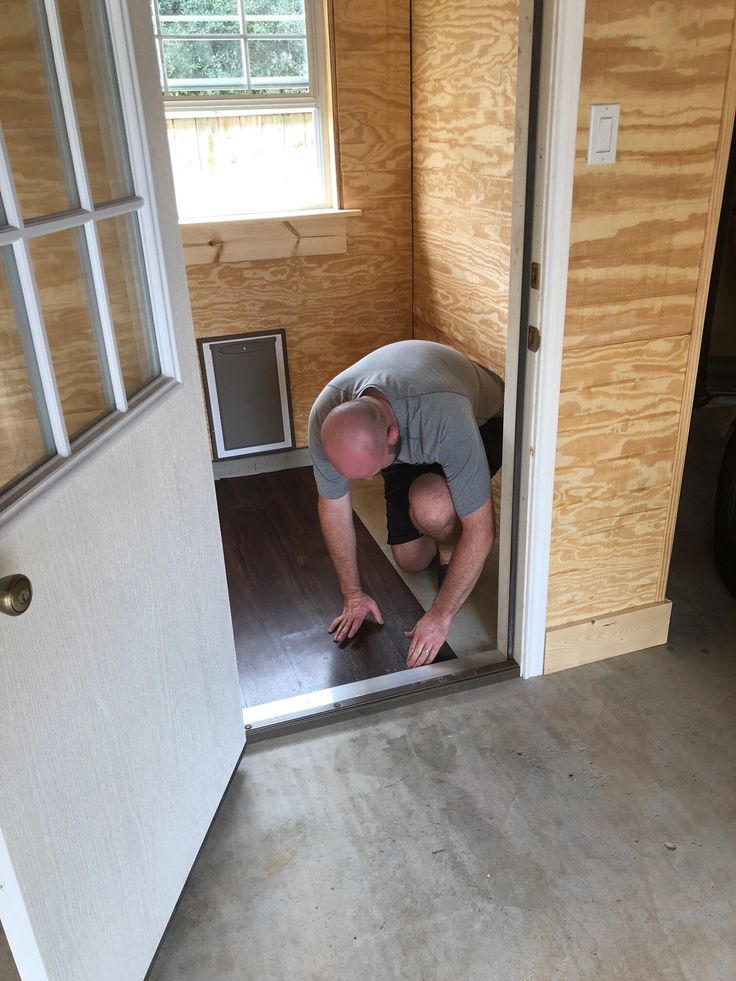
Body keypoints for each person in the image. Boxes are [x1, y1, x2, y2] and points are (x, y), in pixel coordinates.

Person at [308, 339, 504, 668]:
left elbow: (482, 531)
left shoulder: (445, 417)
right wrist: (352, 594)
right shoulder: (327, 418)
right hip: (405, 437)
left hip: (483, 422)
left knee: (433, 507)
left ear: (392, 435)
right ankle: (443, 530)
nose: (368, 480)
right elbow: (334, 506)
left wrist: (439, 617)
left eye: (371, 471)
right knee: (411, 559)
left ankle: (447, 542)